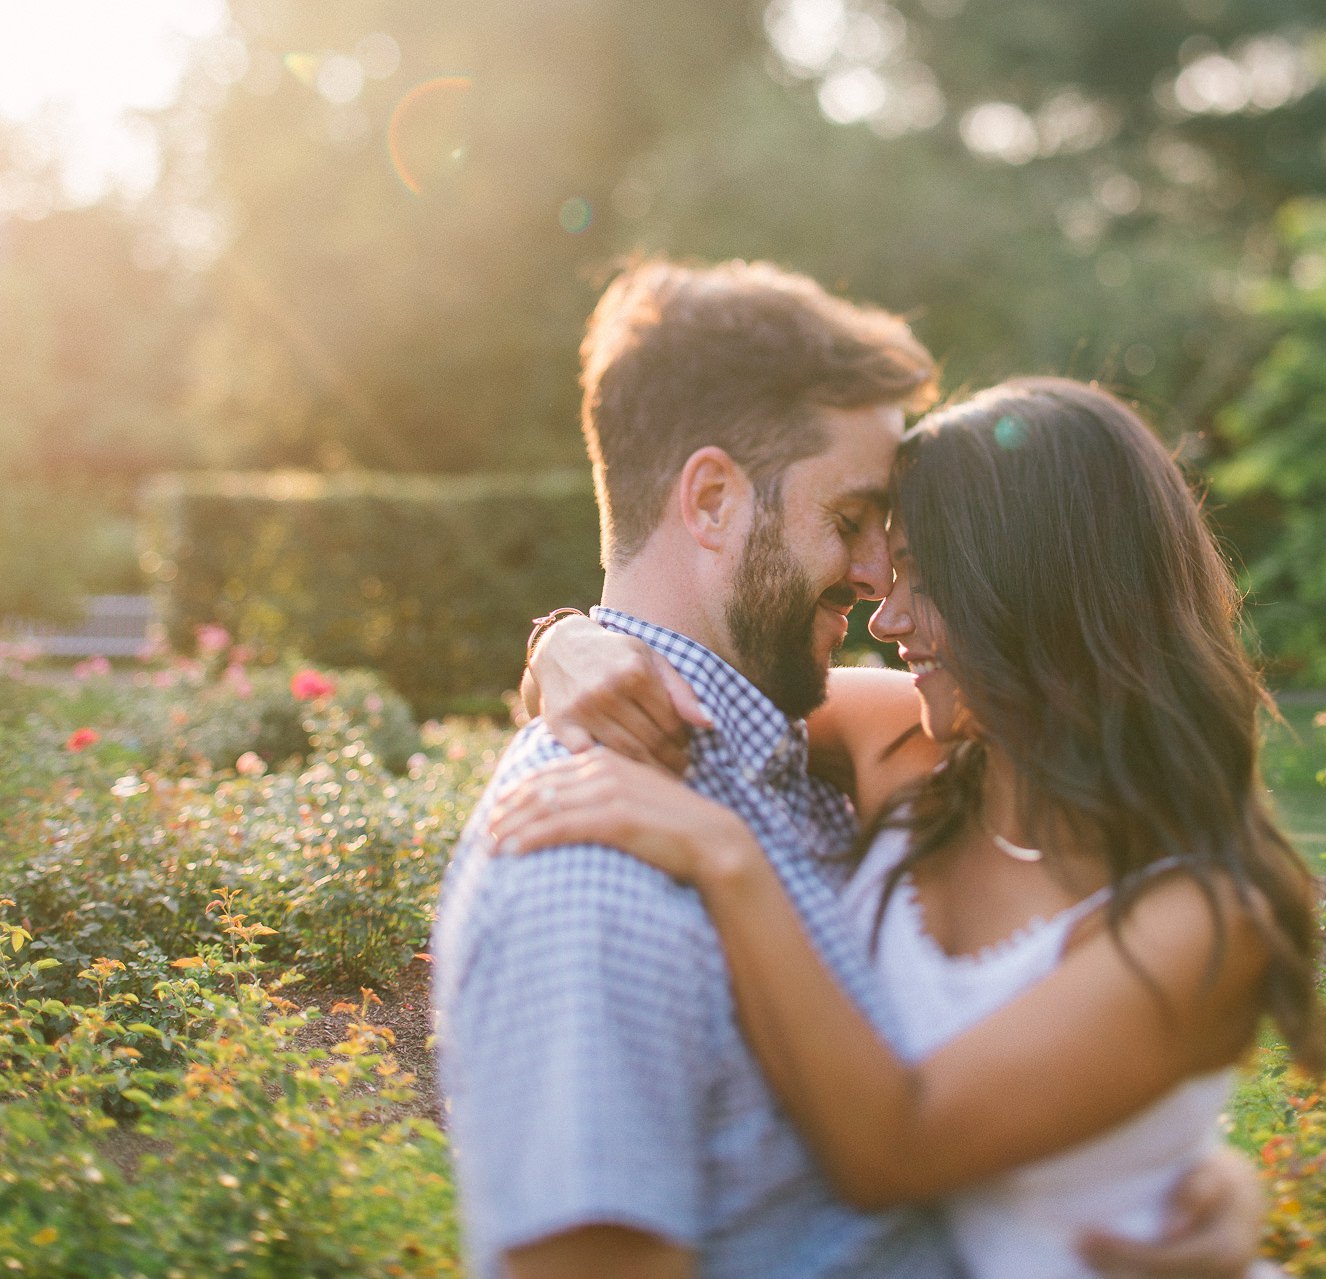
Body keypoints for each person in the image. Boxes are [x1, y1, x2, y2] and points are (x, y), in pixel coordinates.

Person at [432, 259, 1267, 1279]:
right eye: (852, 523)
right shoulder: (599, 874)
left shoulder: (793, 756)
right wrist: (565, 640)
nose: (879, 590)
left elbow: (941, 1131)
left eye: (913, 557)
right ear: (711, 500)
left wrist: (1170, 1166)